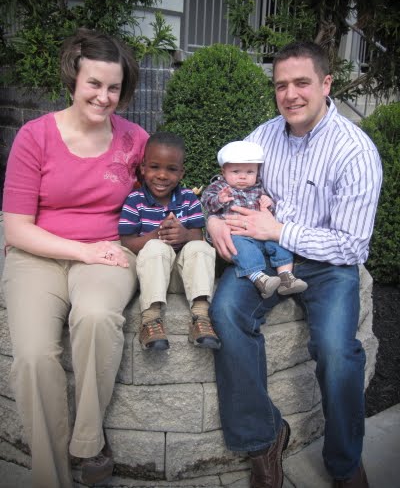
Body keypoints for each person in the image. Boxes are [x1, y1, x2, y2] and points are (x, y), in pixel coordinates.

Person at [207, 42, 382, 488]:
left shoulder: (355, 152)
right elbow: (226, 185)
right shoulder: (263, 137)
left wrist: (280, 231)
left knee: (337, 351)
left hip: (327, 264)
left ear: (326, 84)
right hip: (262, 255)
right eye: (281, 85)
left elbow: (351, 246)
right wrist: (213, 220)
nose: (290, 94)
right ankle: (265, 438)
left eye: (302, 82)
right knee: (225, 313)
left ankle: (345, 463)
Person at [1, 28, 149, 488]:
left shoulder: (134, 140)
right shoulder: (35, 137)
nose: (104, 97)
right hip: (37, 253)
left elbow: (162, 196)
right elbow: (16, 228)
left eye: (114, 88)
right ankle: (51, 477)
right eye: (94, 84)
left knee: (97, 317)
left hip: (108, 252)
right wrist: (81, 250)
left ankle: (87, 442)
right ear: (74, 79)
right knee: (32, 357)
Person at [119, 132, 221, 351]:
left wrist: (184, 235)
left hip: (183, 277)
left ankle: (201, 316)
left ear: (181, 172)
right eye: (155, 167)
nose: (162, 175)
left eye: (172, 169)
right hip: (152, 275)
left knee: (200, 246)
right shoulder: (135, 201)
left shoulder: (188, 198)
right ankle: (150, 319)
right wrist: (156, 235)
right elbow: (127, 243)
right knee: (156, 247)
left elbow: (197, 235)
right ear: (143, 168)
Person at [201, 140, 308, 298]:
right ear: (224, 171)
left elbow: (269, 211)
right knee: (242, 250)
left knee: (280, 244)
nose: (243, 176)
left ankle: (286, 277)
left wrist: (268, 203)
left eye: (250, 172)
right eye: (236, 171)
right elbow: (206, 202)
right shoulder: (220, 188)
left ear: (257, 172)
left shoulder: (259, 188)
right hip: (237, 234)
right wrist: (219, 199)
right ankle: (259, 278)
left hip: (263, 232)